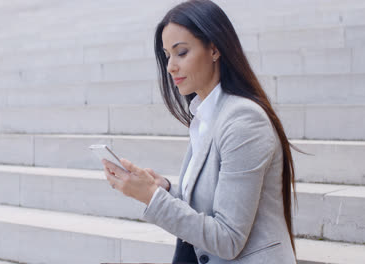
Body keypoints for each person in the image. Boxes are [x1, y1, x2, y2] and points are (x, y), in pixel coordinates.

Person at [101, 0, 297, 263]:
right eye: (167, 55)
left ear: (214, 49)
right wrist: (165, 190)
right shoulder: (205, 114)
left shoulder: (243, 120)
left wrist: (151, 196)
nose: (170, 66)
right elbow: (210, 204)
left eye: (181, 52)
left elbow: (228, 239)